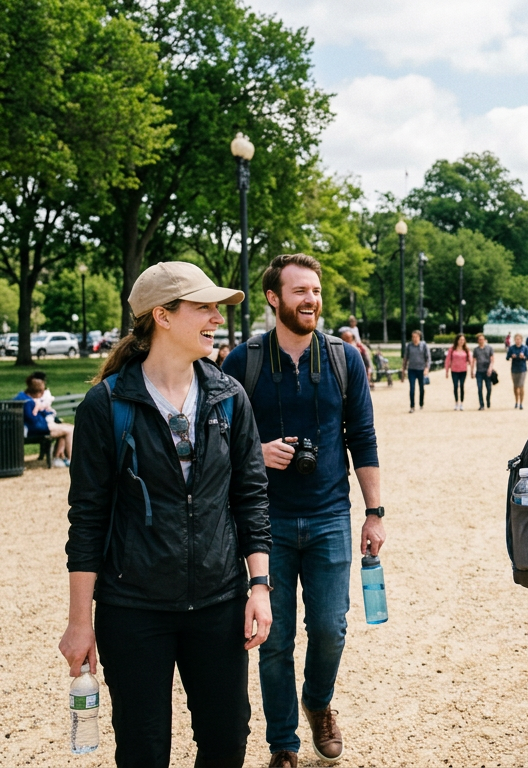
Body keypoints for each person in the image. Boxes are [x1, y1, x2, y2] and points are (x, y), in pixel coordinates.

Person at [60, 261, 270, 768]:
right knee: (142, 747)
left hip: (220, 601)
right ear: (163, 316)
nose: (216, 317)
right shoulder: (105, 405)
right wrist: (78, 622)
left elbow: (252, 496)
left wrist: (259, 587)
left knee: (227, 742)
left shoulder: (228, 396)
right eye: (203, 306)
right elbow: (86, 519)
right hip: (133, 609)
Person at [222, 254, 384, 768]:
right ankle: (283, 743)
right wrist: (256, 451)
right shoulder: (241, 363)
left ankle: (318, 701)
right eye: (300, 291)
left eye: (315, 290)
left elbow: (363, 438)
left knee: (332, 628)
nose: (311, 299)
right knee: (274, 640)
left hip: (331, 515)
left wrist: (374, 512)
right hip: (263, 523)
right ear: (274, 298)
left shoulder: (344, 359)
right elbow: (215, 441)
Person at [17, 372, 74, 465]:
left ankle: (58, 458)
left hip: (36, 427)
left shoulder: (24, 397)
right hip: (35, 429)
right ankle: (70, 459)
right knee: (70, 430)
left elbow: (43, 413)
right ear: (39, 392)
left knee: (68, 428)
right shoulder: (28, 402)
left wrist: (42, 409)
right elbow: (33, 421)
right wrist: (39, 409)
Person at [403, 330, 430, 413]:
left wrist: (427, 368)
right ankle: (412, 406)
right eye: (413, 337)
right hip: (412, 369)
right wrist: (403, 369)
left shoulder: (424, 345)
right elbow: (405, 358)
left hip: (421, 369)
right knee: (412, 388)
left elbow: (428, 358)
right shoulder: (409, 346)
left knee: (421, 387)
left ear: (419, 337)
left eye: (416, 337)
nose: (414, 339)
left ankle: (421, 403)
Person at [445, 335, 470, 411]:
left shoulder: (466, 349)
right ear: (457, 340)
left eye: (463, 340)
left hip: (463, 370)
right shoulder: (452, 349)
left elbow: (470, 359)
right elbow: (448, 360)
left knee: (462, 385)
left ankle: (461, 403)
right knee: (455, 386)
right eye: (460, 340)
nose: (462, 341)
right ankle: (456, 402)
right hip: (454, 370)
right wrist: (446, 370)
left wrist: (472, 368)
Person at [507, 335, 528, 409]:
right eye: (516, 339)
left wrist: (523, 357)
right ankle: (516, 401)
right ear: (515, 340)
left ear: (521, 340)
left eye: (519, 339)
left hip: (522, 369)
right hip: (514, 369)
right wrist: (511, 356)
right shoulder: (512, 348)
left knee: (521, 386)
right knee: (515, 386)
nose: (518, 340)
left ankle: (521, 403)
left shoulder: (525, 348)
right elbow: (507, 357)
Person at [472, 334, 495, 410]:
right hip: (479, 371)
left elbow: (492, 360)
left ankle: (488, 399)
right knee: (479, 388)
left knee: (489, 388)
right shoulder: (476, 350)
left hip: (487, 371)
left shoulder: (489, 348)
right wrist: (473, 370)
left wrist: (490, 368)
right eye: (479, 339)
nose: (481, 341)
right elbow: (474, 361)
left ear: (484, 340)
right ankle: (481, 404)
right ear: (478, 341)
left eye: (482, 339)